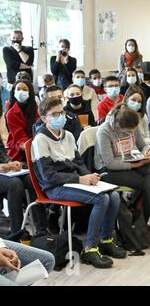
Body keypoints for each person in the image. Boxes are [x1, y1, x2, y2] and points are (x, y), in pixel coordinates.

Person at [32, 97, 126, 268]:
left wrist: (90, 177)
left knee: (113, 196)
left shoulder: (67, 135)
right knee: (101, 199)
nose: (60, 116)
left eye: (62, 112)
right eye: (54, 114)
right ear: (44, 118)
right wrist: (79, 179)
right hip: (55, 188)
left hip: (74, 182)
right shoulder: (40, 139)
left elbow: (78, 162)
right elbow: (48, 176)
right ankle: (89, 248)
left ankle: (106, 240)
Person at [95, 103, 150, 243]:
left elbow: (143, 145)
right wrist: (134, 165)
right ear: (118, 125)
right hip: (109, 171)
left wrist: (146, 153)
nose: (131, 133)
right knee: (149, 183)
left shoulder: (132, 124)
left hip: (132, 161)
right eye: (128, 131)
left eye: (133, 131)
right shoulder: (104, 131)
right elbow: (109, 163)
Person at [0, 138, 48, 236]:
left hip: (4, 170)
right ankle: (17, 233)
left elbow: (2, 153)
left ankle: (42, 229)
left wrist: (10, 163)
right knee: (15, 184)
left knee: (30, 179)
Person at [6, 81, 38, 162]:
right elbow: (19, 136)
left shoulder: (37, 109)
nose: (21, 92)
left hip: (37, 144)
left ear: (30, 92)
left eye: (24, 89)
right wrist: (30, 146)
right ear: (14, 91)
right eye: (18, 89)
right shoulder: (11, 113)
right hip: (20, 149)